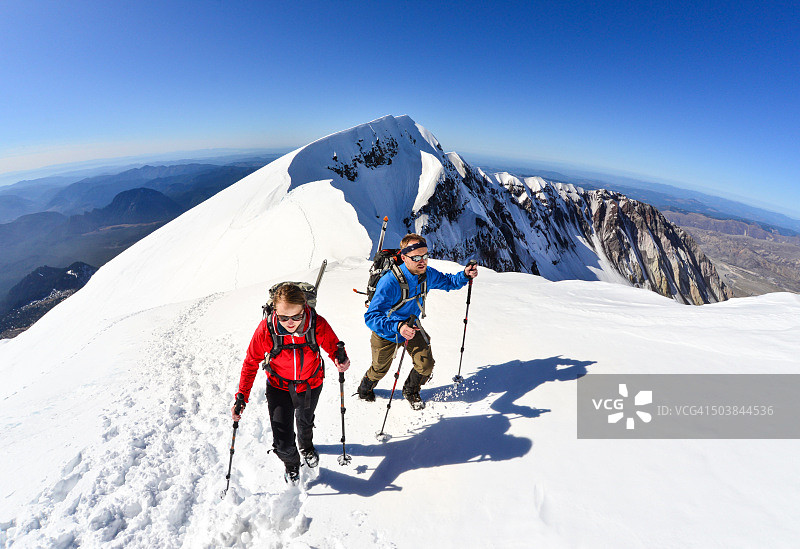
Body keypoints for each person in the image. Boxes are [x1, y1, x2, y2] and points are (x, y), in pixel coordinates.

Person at [232, 283, 350, 484]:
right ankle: (292, 463)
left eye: (297, 316)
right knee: (282, 443)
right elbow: (251, 362)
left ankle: (306, 447)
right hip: (279, 387)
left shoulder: (316, 324)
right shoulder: (266, 329)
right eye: (284, 317)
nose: (290, 323)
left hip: (310, 383)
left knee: (305, 421)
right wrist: (241, 397)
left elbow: (333, 347)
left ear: (304, 308)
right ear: (275, 312)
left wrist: (341, 359)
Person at [358, 233, 478, 409]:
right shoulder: (389, 282)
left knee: (426, 364)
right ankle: (365, 388)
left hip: (412, 327)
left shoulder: (427, 275)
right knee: (379, 369)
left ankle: (411, 390)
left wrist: (465, 276)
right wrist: (398, 327)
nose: (422, 261)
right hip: (387, 332)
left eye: (425, 256)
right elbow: (372, 316)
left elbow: (448, 282)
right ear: (404, 257)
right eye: (416, 257)